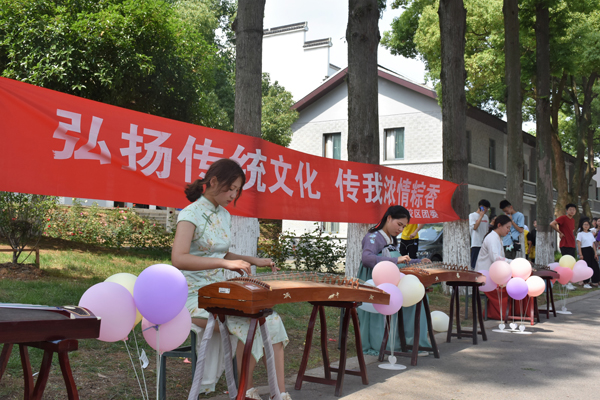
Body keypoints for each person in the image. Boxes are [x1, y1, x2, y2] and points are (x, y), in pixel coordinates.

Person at [171, 158, 292, 400]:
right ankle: (244, 391)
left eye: (238, 190)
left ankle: (279, 393)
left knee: (271, 319)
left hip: (217, 292)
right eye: (231, 188)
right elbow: (179, 258)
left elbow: (220, 253)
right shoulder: (190, 214)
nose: (234, 195)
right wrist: (225, 264)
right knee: (251, 323)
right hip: (194, 296)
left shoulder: (224, 215)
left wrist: (252, 260)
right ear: (214, 181)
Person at [357, 205, 431, 356]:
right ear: (389, 218)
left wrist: (417, 261)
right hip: (377, 280)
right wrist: (397, 260)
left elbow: (399, 260)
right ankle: (383, 343)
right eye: (399, 224)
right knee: (383, 309)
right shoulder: (373, 236)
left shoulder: (391, 239)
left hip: (390, 279)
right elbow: (367, 259)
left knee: (418, 297)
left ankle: (410, 342)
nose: (401, 229)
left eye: (404, 227)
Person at [475, 215, 513, 320]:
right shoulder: (492, 238)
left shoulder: (497, 237)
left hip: (492, 275)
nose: (508, 230)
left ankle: (509, 313)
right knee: (507, 290)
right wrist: (513, 262)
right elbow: (496, 258)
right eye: (507, 227)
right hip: (485, 277)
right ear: (499, 225)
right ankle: (501, 313)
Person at [576, 217, 599, 289]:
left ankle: (595, 281)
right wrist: (580, 254)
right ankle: (586, 282)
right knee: (586, 266)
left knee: (595, 266)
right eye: (585, 224)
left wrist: (595, 253)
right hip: (584, 250)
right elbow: (579, 244)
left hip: (591, 250)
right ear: (582, 225)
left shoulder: (590, 234)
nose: (586, 226)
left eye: (587, 225)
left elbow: (593, 244)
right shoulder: (580, 234)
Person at [469, 200, 491, 270]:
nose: (486, 210)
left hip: (484, 244)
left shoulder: (486, 217)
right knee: (474, 264)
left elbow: (487, 230)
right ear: (481, 207)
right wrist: (480, 217)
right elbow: (474, 227)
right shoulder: (472, 215)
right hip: (476, 243)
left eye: (487, 208)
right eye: (486, 208)